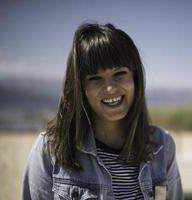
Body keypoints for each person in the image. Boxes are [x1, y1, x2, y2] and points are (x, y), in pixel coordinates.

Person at [22, 22, 183, 200]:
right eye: (95, 78)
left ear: (135, 78)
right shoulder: (50, 149)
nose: (110, 88)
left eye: (120, 73)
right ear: (80, 88)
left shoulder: (162, 146)